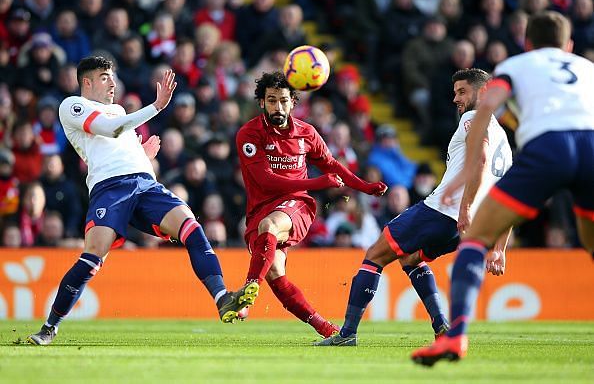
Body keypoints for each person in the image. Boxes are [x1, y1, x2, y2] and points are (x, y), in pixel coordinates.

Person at [27, 56, 258, 346]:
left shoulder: (119, 110)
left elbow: (120, 140)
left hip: (146, 183)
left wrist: (142, 155)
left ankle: (222, 297)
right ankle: (50, 327)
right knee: (93, 256)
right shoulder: (73, 106)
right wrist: (157, 107)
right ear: (86, 82)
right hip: (109, 188)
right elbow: (110, 130)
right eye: (104, 77)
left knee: (190, 226)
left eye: (112, 76)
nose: (112, 82)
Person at [412, 11, 594, 366]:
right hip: (590, 148)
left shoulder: (516, 65)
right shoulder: (586, 67)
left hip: (549, 148)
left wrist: (464, 176)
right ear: (568, 45)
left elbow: (488, 107)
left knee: (476, 237)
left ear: (528, 43)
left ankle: (455, 338)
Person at [315, 68, 513, 347]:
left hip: (444, 213)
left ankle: (347, 334)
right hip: (469, 225)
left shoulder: (473, 118)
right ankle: (441, 325)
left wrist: (465, 208)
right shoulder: (503, 139)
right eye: (455, 92)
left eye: (462, 92)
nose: (456, 98)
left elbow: (479, 160)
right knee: (410, 259)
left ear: (483, 92)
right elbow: (507, 194)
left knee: (375, 256)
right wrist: (499, 248)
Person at [234, 71, 387, 337]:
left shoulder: (306, 133)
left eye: (283, 100)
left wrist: (364, 186)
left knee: (270, 226)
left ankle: (247, 290)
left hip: (297, 205)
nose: (278, 107)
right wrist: (318, 183)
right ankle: (328, 330)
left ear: (293, 102)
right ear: (262, 102)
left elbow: (332, 165)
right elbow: (266, 181)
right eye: (271, 101)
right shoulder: (249, 134)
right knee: (277, 277)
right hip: (260, 209)